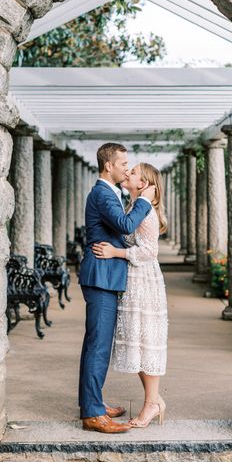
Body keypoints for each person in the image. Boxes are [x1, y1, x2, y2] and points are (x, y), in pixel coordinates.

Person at [78, 143, 156, 434]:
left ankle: (93, 402)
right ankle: (93, 414)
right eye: (123, 163)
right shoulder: (102, 193)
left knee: (99, 345)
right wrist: (145, 201)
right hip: (100, 276)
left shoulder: (110, 192)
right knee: (97, 346)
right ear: (108, 166)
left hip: (106, 276)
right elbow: (124, 224)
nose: (127, 167)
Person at [92, 162, 168, 429]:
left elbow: (149, 252)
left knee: (146, 343)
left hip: (144, 281)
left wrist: (116, 253)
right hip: (133, 281)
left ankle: (151, 405)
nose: (128, 173)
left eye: (133, 172)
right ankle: (155, 399)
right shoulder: (134, 207)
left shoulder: (144, 212)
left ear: (144, 184)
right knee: (136, 345)